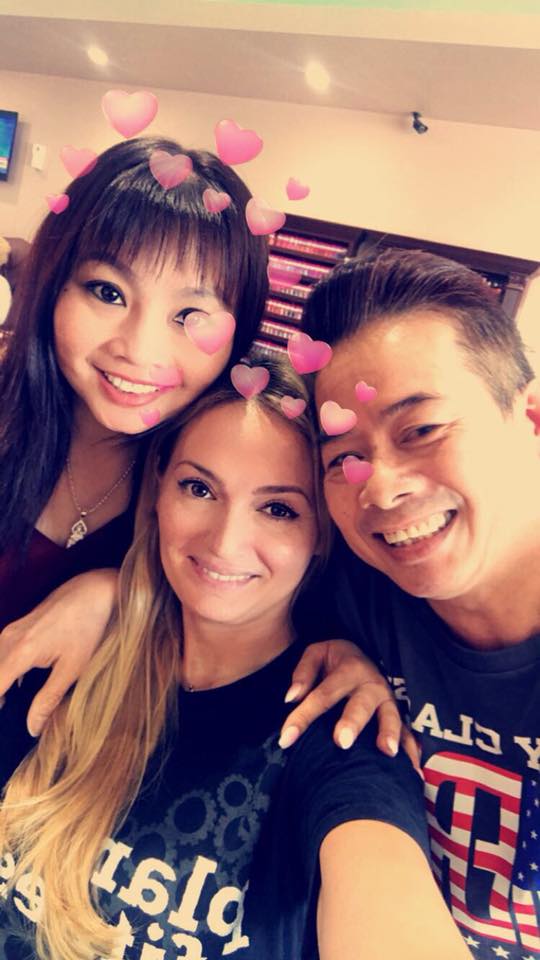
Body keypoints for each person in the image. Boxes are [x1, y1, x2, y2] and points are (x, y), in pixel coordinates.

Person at [0, 361, 470, 960]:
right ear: (158, 491)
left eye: (278, 509)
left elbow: (389, 904)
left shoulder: (338, 732)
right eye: (199, 489)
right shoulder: (69, 651)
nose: (224, 541)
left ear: (322, 533)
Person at [0, 134, 394, 749]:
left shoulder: (223, 480)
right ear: (53, 286)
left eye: (191, 316)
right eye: (108, 292)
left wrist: (350, 662)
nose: (140, 349)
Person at [290, 247, 540, 959]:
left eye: (422, 430)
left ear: (530, 418)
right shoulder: (349, 595)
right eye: (343, 458)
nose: (380, 487)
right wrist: (105, 596)